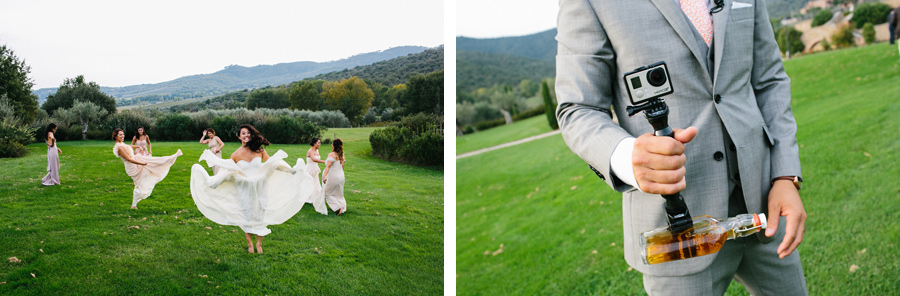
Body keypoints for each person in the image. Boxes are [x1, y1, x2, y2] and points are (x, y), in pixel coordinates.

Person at [555, 0, 807, 295]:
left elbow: (769, 81)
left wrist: (785, 175)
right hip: (676, 232)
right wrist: (629, 157)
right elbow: (578, 108)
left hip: (764, 207)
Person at [190, 124, 315, 254]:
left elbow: (271, 163)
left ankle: (259, 244)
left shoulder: (259, 150)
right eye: (243, 133)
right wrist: (213, 181)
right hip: (244, 189)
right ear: (239, 136)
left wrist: (291, 170)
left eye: (248, 133)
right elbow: (226, 170)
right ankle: (250, 244)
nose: (247, 135)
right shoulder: (235, 155)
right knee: (247, 215)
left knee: (261, 215)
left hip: (260, 187)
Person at [112, 128, 182, 209]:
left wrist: (137, 146)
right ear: (115, 136)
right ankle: (134, 204)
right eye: (120, 134)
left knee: (152, 163)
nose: (122, 136)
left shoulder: (121, 144)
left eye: (123, 134)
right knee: (140, 182)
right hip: (132, 166)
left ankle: (134, 205)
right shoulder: (119, 148)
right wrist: (142, 163)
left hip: (135, 161)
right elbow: (128, 159)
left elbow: (128, 146)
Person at [322, 138, 346, 215]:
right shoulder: (342, 155)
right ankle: (342, 207)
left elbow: (327, 167)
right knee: (339, 194)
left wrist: (324, 176)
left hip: (334, 177)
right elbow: (342, 167)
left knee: (327, 193)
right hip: (341, 176)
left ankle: (339, 206)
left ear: (333, 146)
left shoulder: (332, 154)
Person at [305, 137, 328, 215]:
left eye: (320, 143)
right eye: (318, 143)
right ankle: (306, 197)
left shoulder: (317, 150)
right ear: (314, 143)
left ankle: (315, 197)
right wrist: (325, 161)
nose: (319, 144)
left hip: (315, 169)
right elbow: (314, 159)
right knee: (309, 183)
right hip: (310, 169)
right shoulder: (310, 151)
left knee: (316, 184)